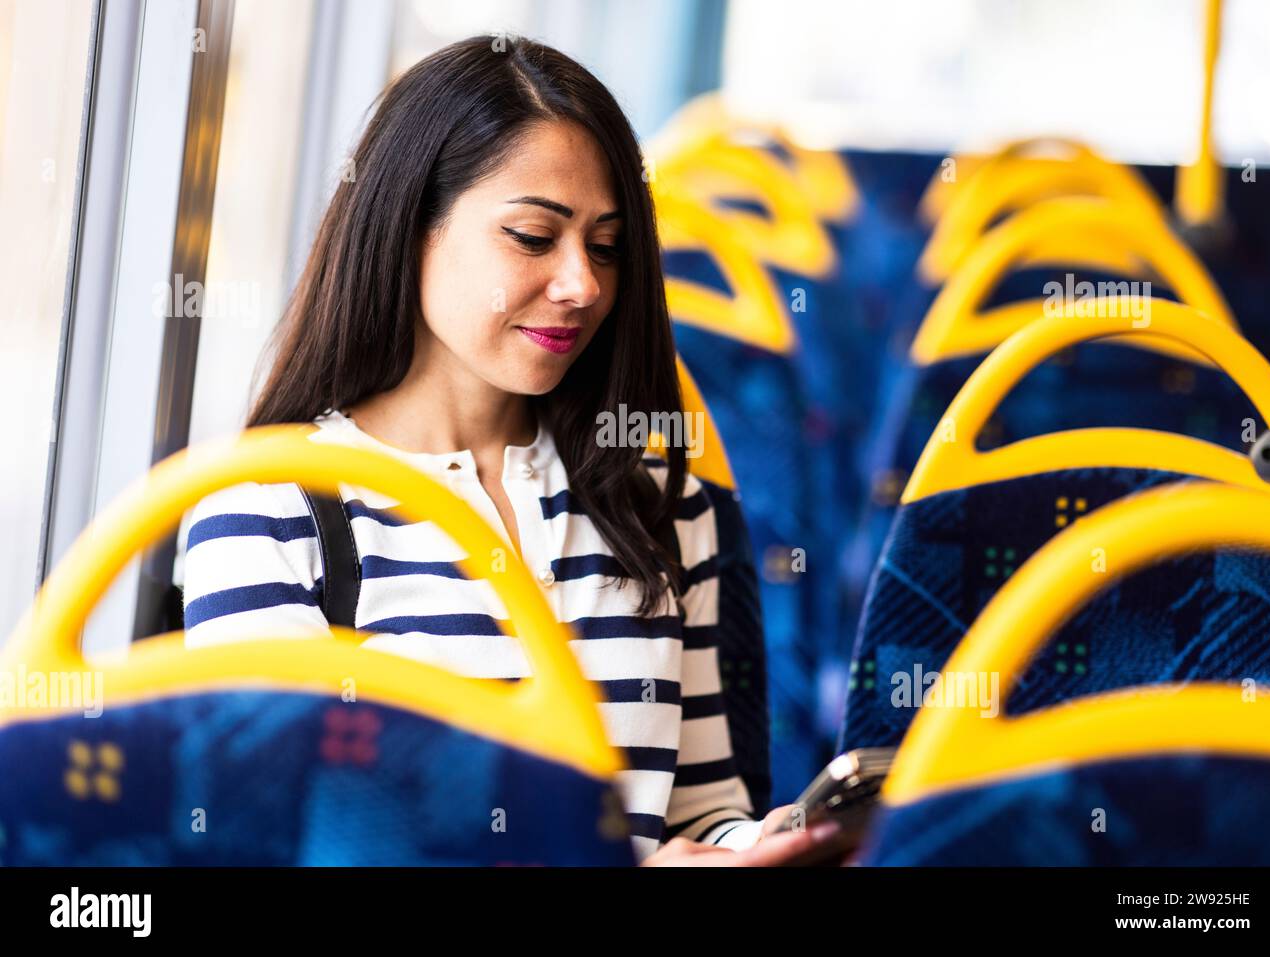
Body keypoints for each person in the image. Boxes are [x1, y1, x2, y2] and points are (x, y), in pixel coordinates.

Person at [181, 35, 842, 866]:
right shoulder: (272, 512)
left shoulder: (664, 507)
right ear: (410, 225)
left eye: (604, 246)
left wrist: (758, 846)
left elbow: (701, 806)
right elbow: (274, 847)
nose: (584, 285)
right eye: (534, 236)